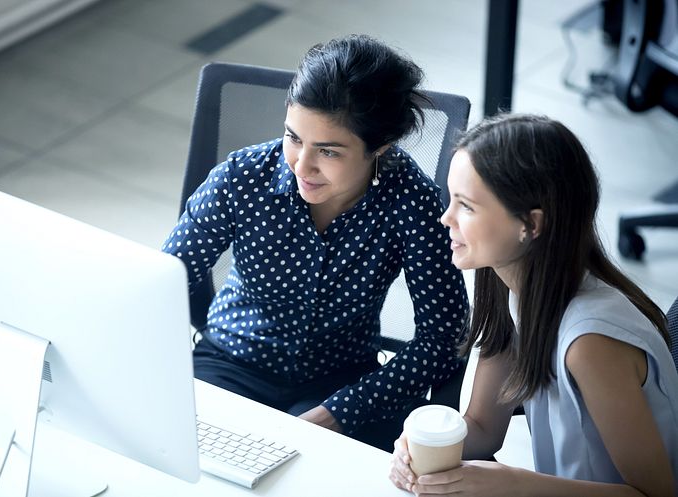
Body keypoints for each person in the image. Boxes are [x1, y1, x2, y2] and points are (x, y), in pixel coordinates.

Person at [161, 34, 469, 451]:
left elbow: (444, 337)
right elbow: (162, 284)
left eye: (328, 151)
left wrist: (343, 410)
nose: (301, 166)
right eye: (294, 138)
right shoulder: (242, 177)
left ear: (380, 147)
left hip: (341, 381)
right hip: (232, 362)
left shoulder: (410, 201)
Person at [389, 113, 678, 496]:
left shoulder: (590, 343)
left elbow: (656, 494)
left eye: (467, 206)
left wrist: (513, 484)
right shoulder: (508, 285)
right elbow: (482, 429)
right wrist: (415, 448)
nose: (446, 218)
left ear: (530, 225)